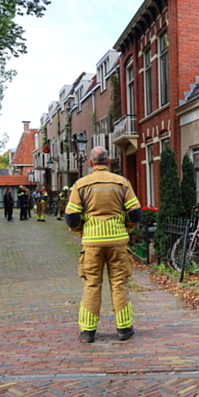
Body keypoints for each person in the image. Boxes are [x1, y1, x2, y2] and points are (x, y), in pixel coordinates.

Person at [65, 146, 141, 343]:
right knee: (119, 283)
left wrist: (83, 231)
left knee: (92, 284)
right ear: (108, 162)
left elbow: (71, 217)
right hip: (118, 242)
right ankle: (124, 329)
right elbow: (135, 213)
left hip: (91, 244)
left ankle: (88, 331)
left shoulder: (81, 184)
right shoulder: (122, 182)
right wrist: (126, 228)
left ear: (91, 163)